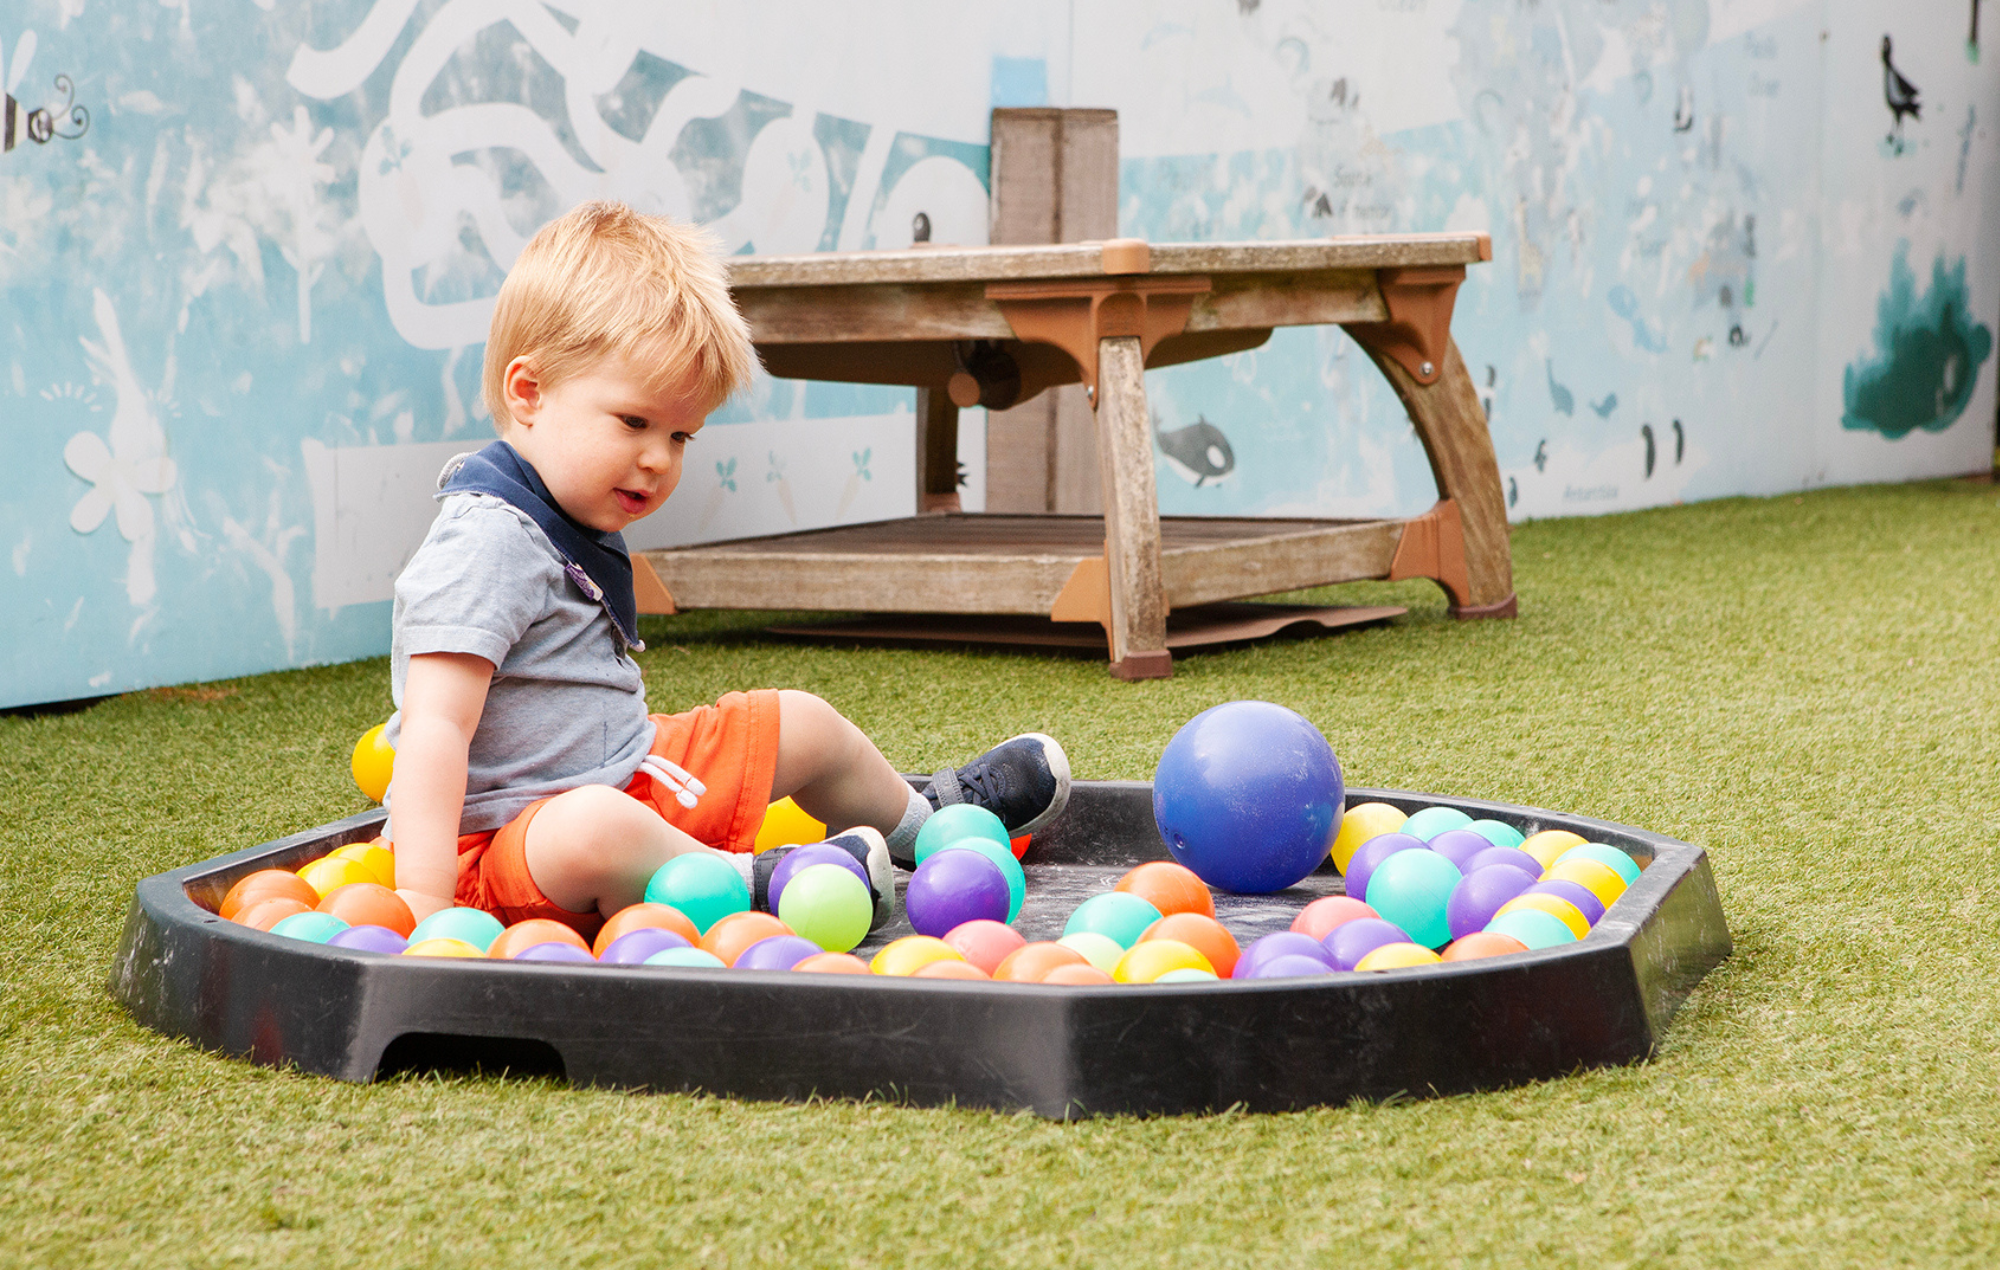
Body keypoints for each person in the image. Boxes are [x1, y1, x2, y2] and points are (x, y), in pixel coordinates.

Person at [381, 201, 1069, 939]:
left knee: (799, 722)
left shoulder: (561, 511)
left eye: (681, 435)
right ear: (529, 392)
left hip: (627, 774)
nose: (659, 460)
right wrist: (423, 907)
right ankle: (764, 887)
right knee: (593, 826)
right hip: (508, 854)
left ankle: (922, 824)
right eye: (635, 423)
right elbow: (435, 730)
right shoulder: (487, 539)